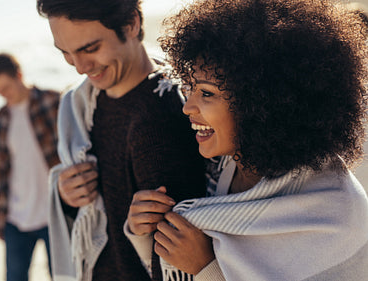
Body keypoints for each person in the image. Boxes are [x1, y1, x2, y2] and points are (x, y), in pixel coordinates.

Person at [125, 0, 368, 280]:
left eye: (206, 93)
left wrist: (207, 268)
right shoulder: (218, 169)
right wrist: (144, 233)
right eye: (189, 87)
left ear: (262, 104)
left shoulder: (336, 217)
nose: (187, 107)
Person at [36, 0, 206, 280]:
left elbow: (176, 259)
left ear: (131, 24)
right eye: (66, 53)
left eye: (90, 48)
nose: (80, 68)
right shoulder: (82, 106)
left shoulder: (160, 115)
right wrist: (68, 195)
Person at [0, 53, 60, 281]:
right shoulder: (2, 117)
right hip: (16, 218)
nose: (3, 95)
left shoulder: (54, 102)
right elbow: (2, 172)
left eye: (6, 87)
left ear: (19, 75)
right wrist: (0, 218)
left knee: (62, 277)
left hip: (53, 215)